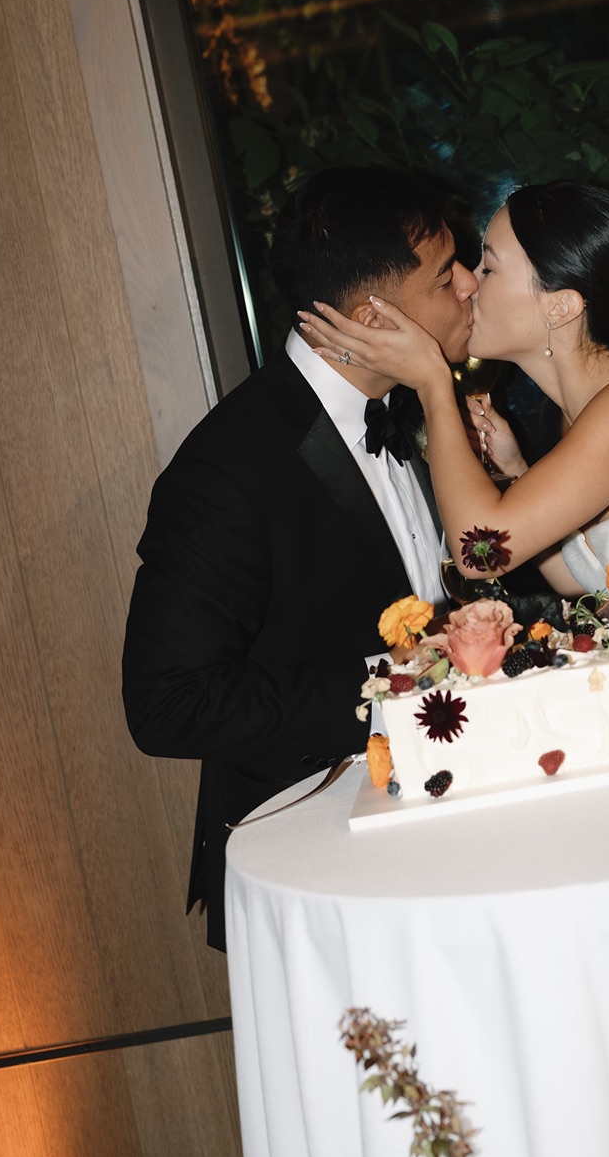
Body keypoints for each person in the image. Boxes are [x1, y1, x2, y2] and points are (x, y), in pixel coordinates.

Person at [122, 166, 477, 949]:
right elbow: (166, 704)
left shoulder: (420, 407)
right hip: (317, 861)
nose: (470, 287)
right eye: (446, 275)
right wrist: (400, 679)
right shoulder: (230, 468)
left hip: (446, 824)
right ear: (372, 316)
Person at [299, 179, 609, 596]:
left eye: (489, 268)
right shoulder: (582, 412)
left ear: (560, 307)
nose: (469, 283)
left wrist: (432, 383)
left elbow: (482, 554)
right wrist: (516, 472)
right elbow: (577, 578)